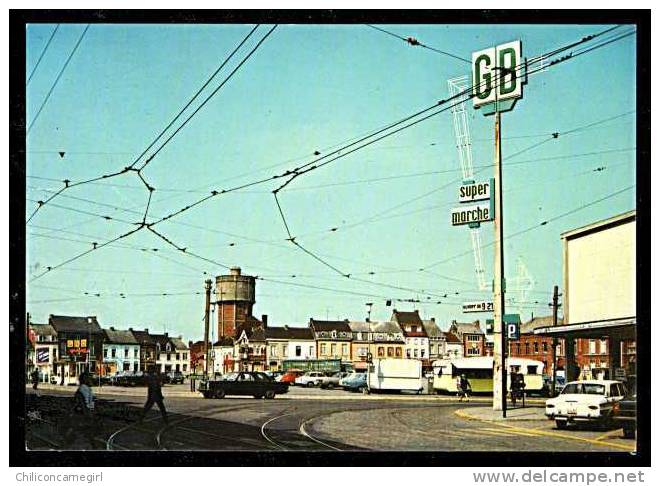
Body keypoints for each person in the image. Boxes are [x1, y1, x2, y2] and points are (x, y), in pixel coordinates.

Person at [62, 372, 99, 449]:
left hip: (84, 414)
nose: (91, 380)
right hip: (83, 414)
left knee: (82, 432)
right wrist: (88, 414)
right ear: (85, 380)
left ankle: (67, 442)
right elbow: (84, 403)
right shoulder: (84, 389)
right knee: (83, 432)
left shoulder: (86, 388)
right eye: (89, 378)